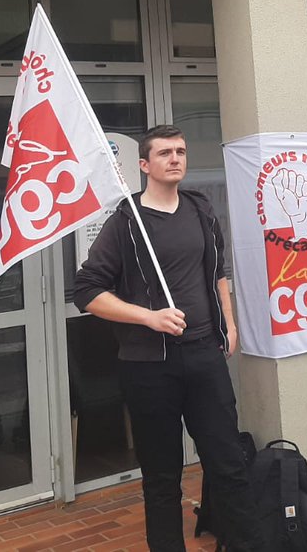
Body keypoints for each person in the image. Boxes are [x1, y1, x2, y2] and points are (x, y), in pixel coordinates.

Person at [72, 125, 259, 552]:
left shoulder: (200, 210)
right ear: (144, 165)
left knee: (228, 465)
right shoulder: (126, 222)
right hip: (149, 367)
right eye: (164, 153)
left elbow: (218, 271)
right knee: (162, 479)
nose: (175, 159)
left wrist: (228, 324)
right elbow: (86, 291)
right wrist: (148, 318)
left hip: (204, 355)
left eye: (181, 151)